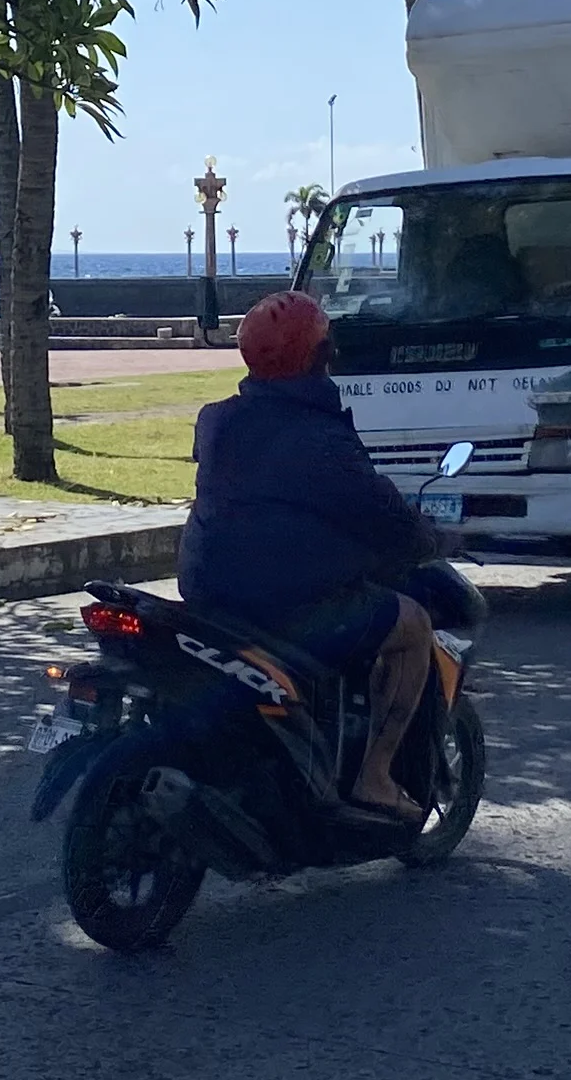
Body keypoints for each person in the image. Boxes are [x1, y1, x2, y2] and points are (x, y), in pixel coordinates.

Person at [179, 289, 444, 820]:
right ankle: (373, 776)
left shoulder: (215, 421)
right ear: (321, 356)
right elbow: (377, 510)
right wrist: (431, 540)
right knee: (412, 625)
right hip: (288, 603)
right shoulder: (319, 437)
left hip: (209, 592)